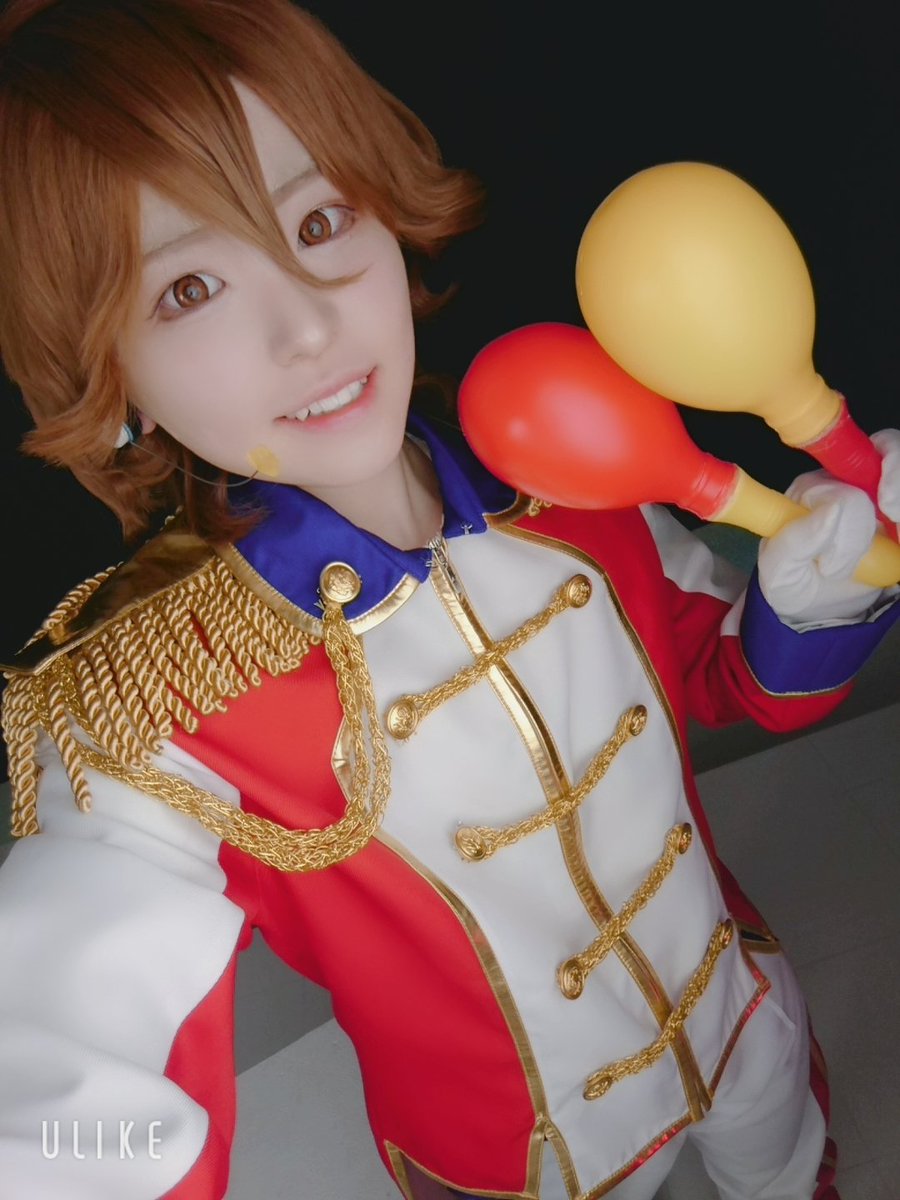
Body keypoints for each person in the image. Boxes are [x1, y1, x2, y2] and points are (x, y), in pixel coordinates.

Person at [0, 2, 897, 1198]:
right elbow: (63, 1074)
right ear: (108, 374)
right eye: (190, 288)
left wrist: (813, 593)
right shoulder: (156, 708)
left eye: (321, 220)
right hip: (519, 1166)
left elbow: (725, 681)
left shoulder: (564, 475)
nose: (310, 324)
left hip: (746, 1021)